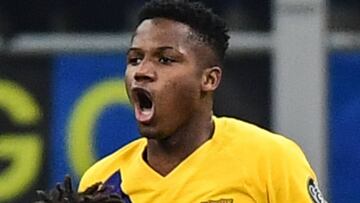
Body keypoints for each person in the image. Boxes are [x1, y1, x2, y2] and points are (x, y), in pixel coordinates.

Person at [79, 0, 326, 202]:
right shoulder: (102, 182)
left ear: (209, 79)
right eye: (134, 59)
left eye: (165, 59)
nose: (141, 71)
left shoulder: (271, 159)